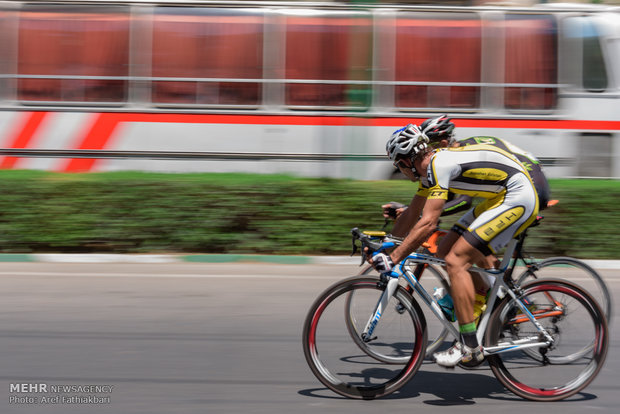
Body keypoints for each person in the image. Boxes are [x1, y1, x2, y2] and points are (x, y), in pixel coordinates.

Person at [370, 123, 539, 367]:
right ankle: (479, 308)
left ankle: (469, 345)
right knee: (444, 249)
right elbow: (412, 214)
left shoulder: (438, 165)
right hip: (500, 198)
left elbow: (428, 223)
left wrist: (394, 258)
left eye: (398, 165)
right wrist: (386, 246)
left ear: (406, 161)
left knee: (455, 260)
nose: (400, 171)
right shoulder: (430, 170)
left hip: (518, 197)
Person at [382, 115, 551, 322]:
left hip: (529, 187)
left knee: (469, 251)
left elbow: (462, 201)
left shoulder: (445, 158)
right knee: (448, 249)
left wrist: (397, 252)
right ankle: (486, 297)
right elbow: (426, 206)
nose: (432, 148)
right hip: (507, 191)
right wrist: (386, 244)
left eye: (433, 143)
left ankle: (507, 300)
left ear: (442, 141)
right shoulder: (442, 160)